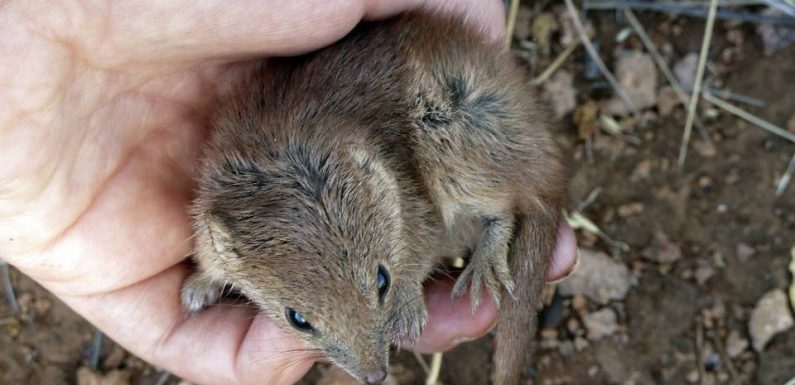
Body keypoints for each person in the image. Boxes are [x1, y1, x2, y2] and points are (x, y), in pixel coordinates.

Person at [0, 0, 578, 384]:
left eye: (374, 279)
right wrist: (208, 279)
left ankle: (502, 220)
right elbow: (216, 249)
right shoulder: (225, 237)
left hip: (444, 104)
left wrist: (399, 283)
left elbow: (416, 215)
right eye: (300, 320)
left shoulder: (366, 185)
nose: (369, 371)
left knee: (461, 162)